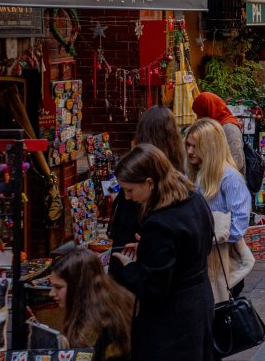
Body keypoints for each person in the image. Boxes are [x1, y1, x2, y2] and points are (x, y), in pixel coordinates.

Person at [111, 144, 214, 360]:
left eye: (129, 190)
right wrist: (148, 248)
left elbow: (153, 288)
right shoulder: (194, 199)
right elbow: (192, 245)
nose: (127, 197)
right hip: (199, 303)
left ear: (149, 183)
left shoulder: (160, 222)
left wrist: (130, 267)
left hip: (173, 319)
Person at [108, 106, 186, 282]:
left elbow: (123, 232)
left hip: (134, 265)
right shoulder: (177, 181)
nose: (129, 195)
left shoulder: (139, 183)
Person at [185, 118, 254, 302]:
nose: (190, 151)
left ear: (210, 147)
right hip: (201, 259)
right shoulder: (193, 173)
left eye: (195, 146)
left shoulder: (230, 178)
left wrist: (211, 238)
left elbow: (239, 223)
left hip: (222, 260)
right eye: (188, 145)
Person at [49, 248, 133, 360]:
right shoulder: (108, 301)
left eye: (58, 287)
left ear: (78, 286)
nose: (51, 293)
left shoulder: (97, 324)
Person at [191, 92, 244, 178]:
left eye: (200, 114)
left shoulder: (229, 128)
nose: (198, 118)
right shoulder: (216, 127)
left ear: (207, 110)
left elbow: (237, 161)